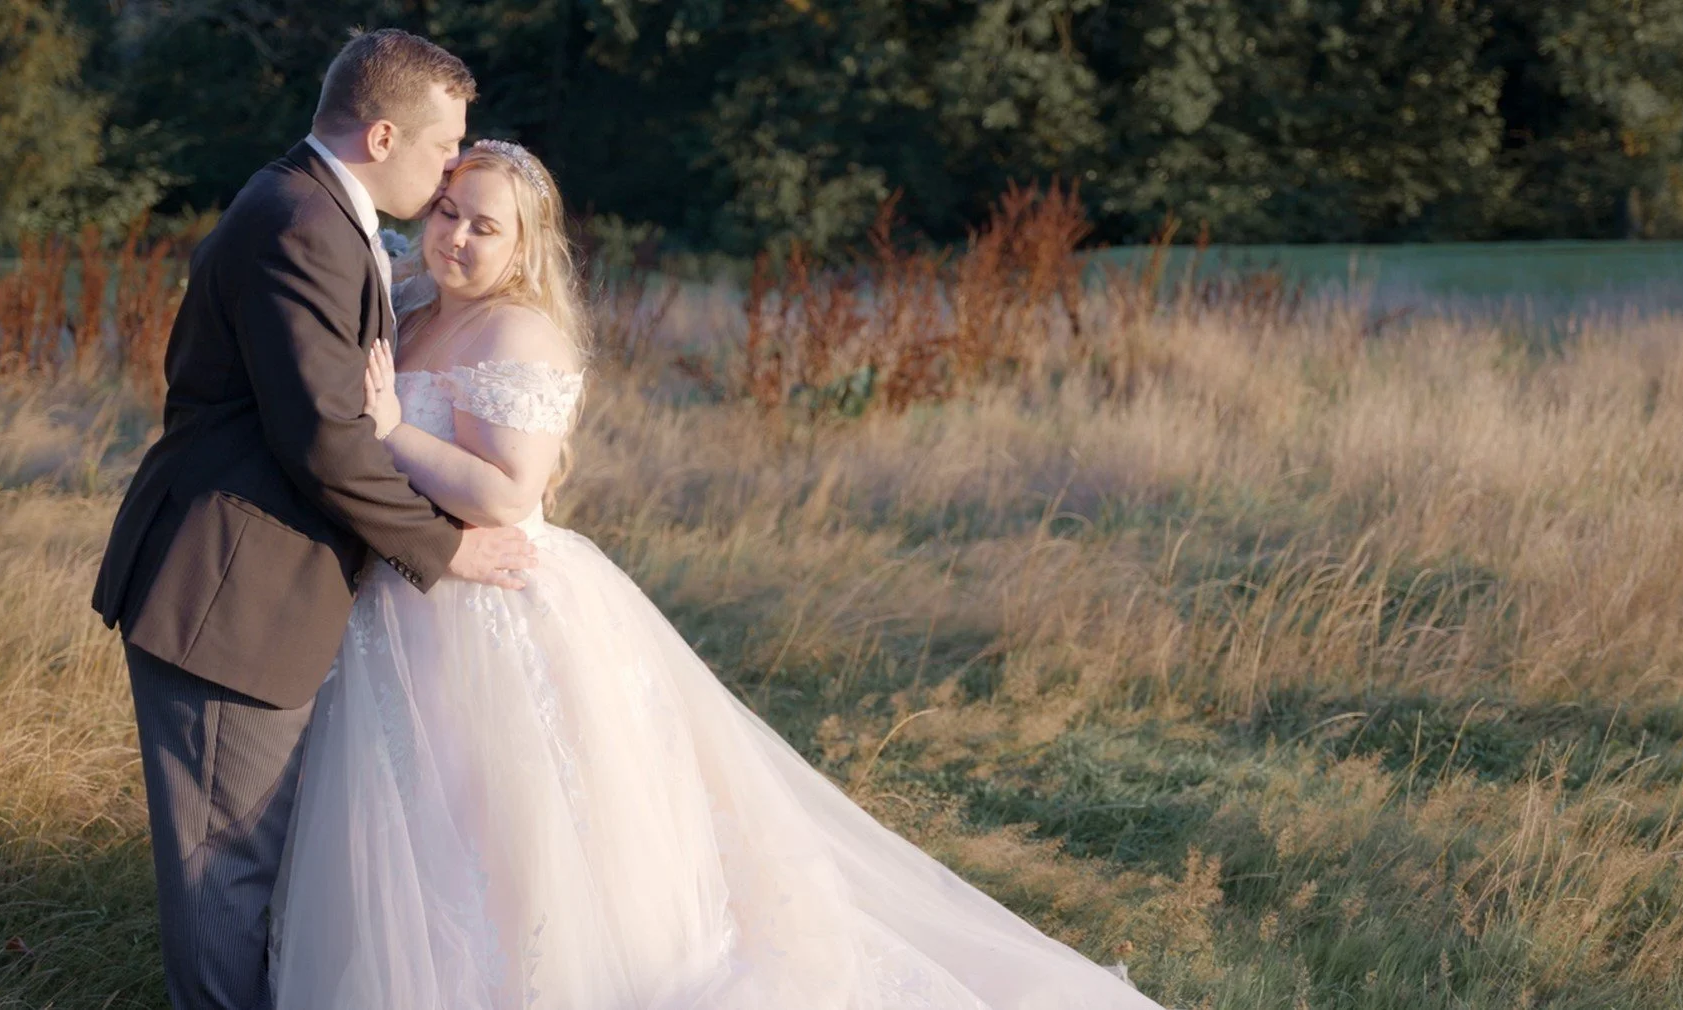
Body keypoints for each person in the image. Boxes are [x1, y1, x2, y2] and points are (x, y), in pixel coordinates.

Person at [267, 138, 1167, 1009]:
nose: (454, 237)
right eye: (449, 212)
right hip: (405, 601)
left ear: (525, 242)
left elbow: (506, 495)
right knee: (421, 825)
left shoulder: (520, 330)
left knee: (511, 827)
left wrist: (392, 431)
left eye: (484, 227)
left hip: (494, 604)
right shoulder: (416, 307)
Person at [88, 30, 535, 1010]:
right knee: (224, 876)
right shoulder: (302, 225)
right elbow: (327, 440)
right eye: (439, 148)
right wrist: (445, 547)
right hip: (226, 594)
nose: (449, 166)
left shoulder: (315, 208)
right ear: (382, 134)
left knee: (257, 867)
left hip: (264, 586)